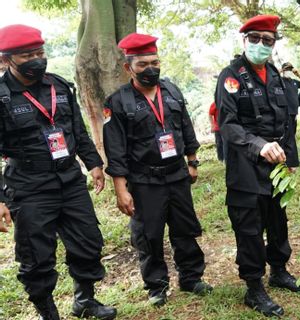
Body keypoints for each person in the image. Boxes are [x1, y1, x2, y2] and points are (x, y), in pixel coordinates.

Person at [0, 24, 116, 319]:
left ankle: (85, 300)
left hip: (69, 179)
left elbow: (77, 129)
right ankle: (47, 312)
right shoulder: (1, 97)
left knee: (88, 240)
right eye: (27, 55)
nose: (37, 59)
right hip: (28, 185)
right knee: (36, 255)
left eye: (40, 52)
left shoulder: (59, 87)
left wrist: (93, 164)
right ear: (6, 60)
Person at [103, 33, 212, 307]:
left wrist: (192, 160)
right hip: (143, 179)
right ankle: (157, 286)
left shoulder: (172, 91)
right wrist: (120, 189)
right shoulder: (117, 102)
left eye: (155, 61)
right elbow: (114, 148)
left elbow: (185, 126)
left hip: (177, 173)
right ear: (129, 67)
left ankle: (191, 277)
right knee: (149, 235)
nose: (150, 68)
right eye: (143, 64)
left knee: (185, 228)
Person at [215, 14, 300, 317]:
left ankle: (279, 271)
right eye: (254, 38)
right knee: (250, 228)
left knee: (278, 221)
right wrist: (259, 145)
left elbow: (287, 123)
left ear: (273, 44)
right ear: (244, 41)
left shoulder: (278, 76)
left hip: (278, 168)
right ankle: (254, 288)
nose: (261, 44)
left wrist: (291, 162)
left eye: (267, 40)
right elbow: (228, 125)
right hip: (246, 168)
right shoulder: (231, 76)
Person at [281, 62, 300, 166]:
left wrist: (298, 74)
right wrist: (281, 71)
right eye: (287, 69)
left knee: (291, 136)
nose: (289, 71)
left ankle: (290, 158)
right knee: (287, 137)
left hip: (294, 113)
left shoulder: (293, 81)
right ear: (284, 71)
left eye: (290, 69)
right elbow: (270, 79)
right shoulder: (280, 81)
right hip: (285, 113)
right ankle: (287, 160)